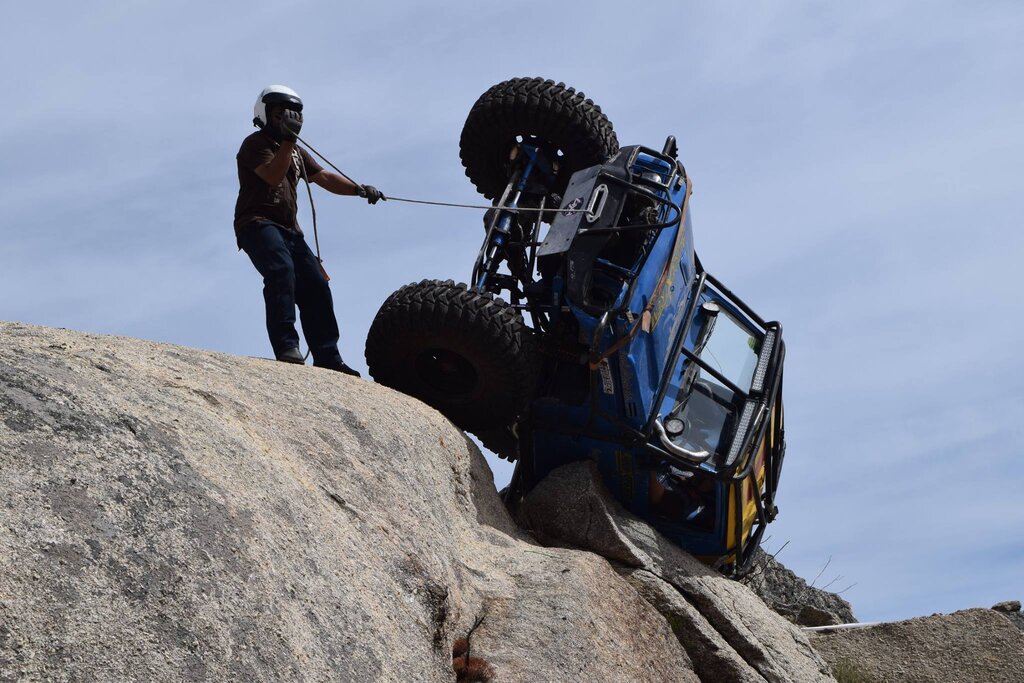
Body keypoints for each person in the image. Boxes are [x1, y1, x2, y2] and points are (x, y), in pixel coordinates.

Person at [233, 85, 384, 377]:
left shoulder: (296, 152)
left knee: (316, 285)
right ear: (265, 115)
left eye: (291, 116)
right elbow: (272, 176)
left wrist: (359, 190)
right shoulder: (255, 144)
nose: (285, 120)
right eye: (279, 115)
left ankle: (328, 356)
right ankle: (287, 347)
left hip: (290, 231)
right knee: (281, 271)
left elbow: (323, 177)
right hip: (257, 223)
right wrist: (290, 140)